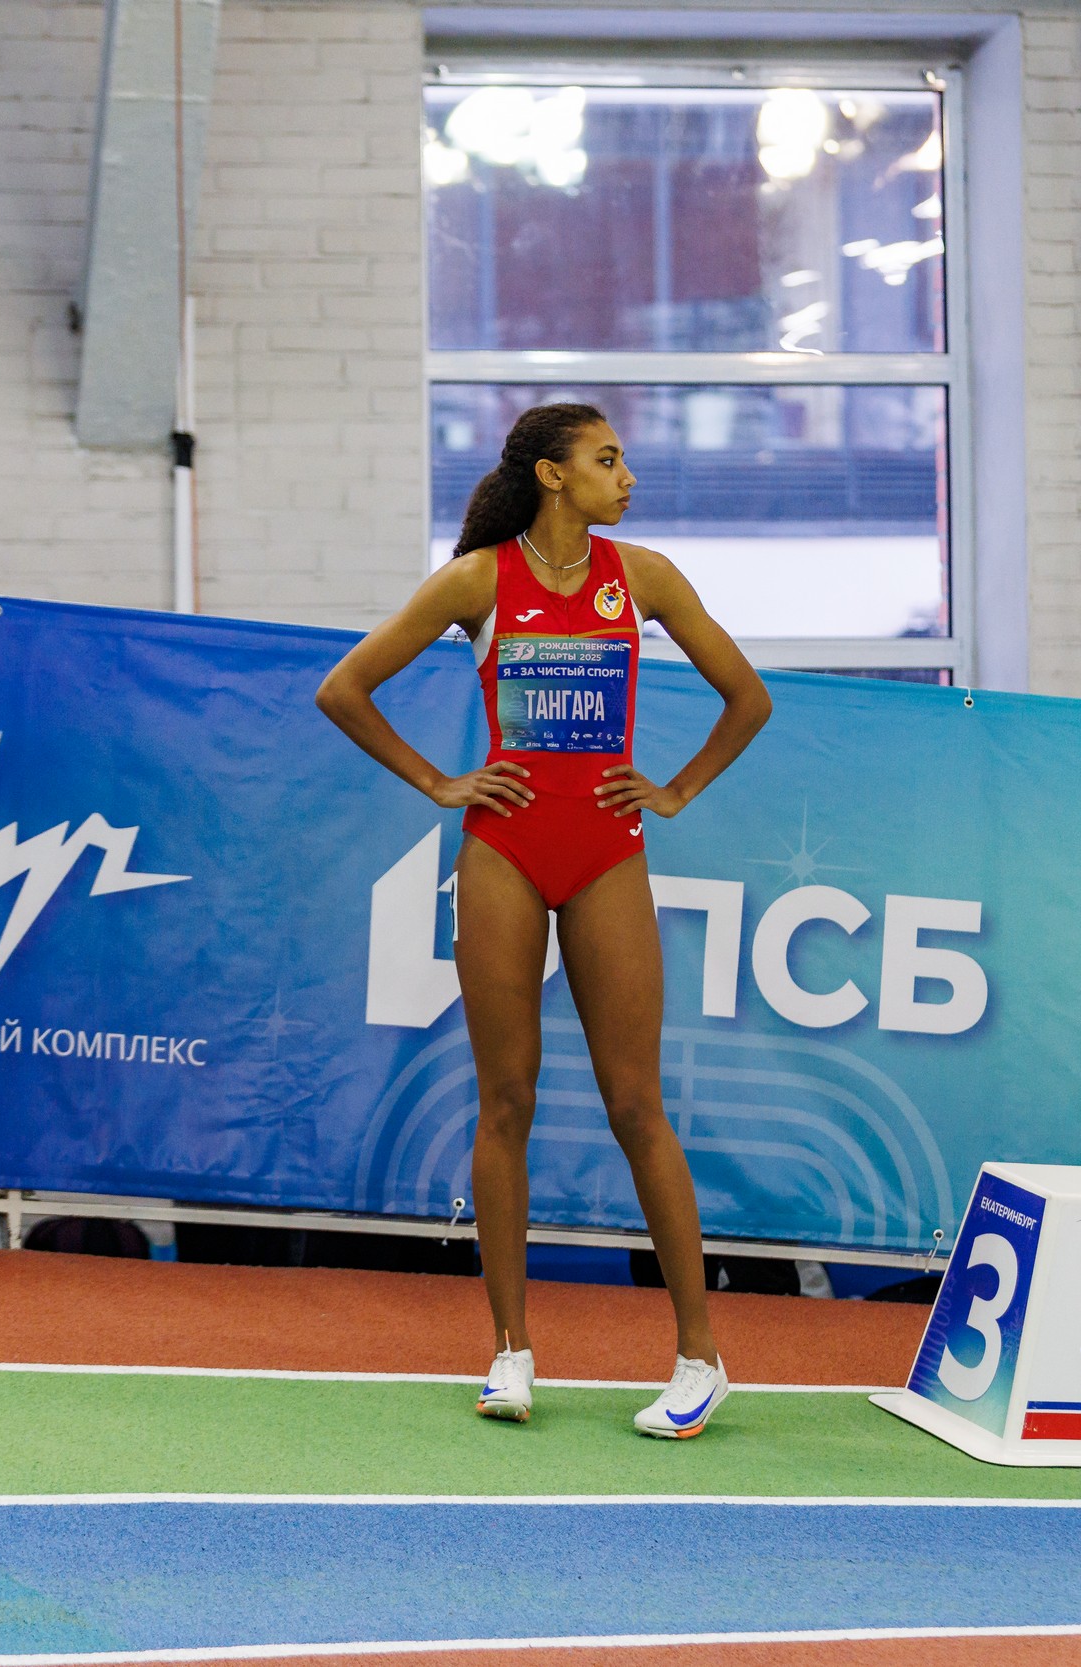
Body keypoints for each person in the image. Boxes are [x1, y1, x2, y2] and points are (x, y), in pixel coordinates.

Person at [316, 402, 770, 1438]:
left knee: (636, 1105)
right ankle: (510, 1351)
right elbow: (344, 688)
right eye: (608, 459)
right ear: (553, 474)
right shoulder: (476, 581)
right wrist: (439, 781)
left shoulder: (644, 578)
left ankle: (700, 1356)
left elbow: (748, 697)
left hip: (607, 852)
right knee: (505, 1101)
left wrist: (676, 790)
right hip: (503, 855)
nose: (628, 475)